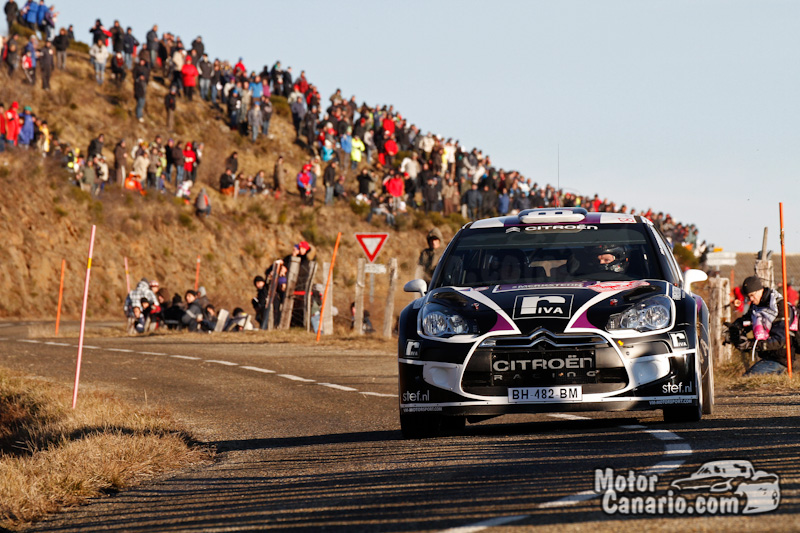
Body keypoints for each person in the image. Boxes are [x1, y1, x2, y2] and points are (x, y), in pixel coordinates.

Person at [728, 276, 797, 375]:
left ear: (760, 290)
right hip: (767, 357)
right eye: (748, 296)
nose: (751, 299)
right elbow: (747, 320)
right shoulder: (756, 306)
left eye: (752, 295)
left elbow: (779, 340)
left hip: (781, 358)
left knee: (748, 379)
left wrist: (751, 345)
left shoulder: (779, 306)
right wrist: (734, 328)